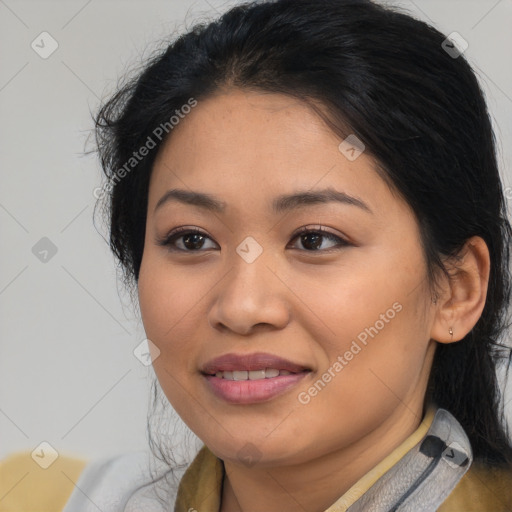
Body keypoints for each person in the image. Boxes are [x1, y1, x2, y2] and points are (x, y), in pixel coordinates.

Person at [3, 0, 511, 510]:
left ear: (456, 290)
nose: (242, 308)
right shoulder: (39, 497)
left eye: (314, 239)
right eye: (191, 239)